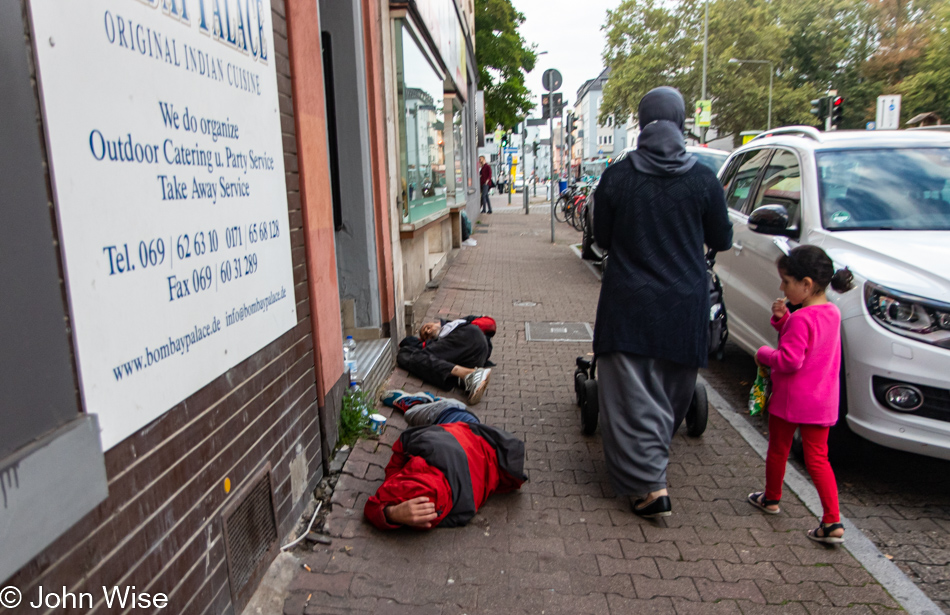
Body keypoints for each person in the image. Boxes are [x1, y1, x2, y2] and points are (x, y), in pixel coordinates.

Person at [592, 86, 733, 518]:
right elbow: (722, 239)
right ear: (681, 120)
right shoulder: (703, 179)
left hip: (628, 303)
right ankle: (652, 473)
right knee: (671, 394)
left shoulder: (617, 177)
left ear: (642, 121)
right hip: (683, 303)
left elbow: (601, 238)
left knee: (632, 397)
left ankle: (649, 485)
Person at [747, 245, 854, 544]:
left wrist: (764, 353)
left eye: (786, 281)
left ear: (806, 284)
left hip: (791, 401)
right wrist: (782, 320)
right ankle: (832, 521)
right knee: (819, 459)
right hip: (822, 402)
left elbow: (790, 359)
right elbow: (811, 347)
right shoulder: (832, 313)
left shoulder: (801, 319)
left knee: (778, 449)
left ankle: (771, 498)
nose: (781, 287)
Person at [363, 419, 527, 530]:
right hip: (460, 429)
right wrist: (391, 502)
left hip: (462, 432)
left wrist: (391, 512)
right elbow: (402, 443)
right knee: (430, 410)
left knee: (433, 410)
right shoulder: (463, 504)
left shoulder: (463, 507)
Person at [396, 317, 494, 404]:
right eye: (426, 336)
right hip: (475, 359)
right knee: (432, 362)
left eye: (428, 327)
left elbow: (488, 323)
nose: (428, 331)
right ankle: (468, 377)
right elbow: (407, 341)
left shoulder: (454, 325)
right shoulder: (439, 342)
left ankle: (468, 374)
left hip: (469, 336)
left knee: (409, 356)